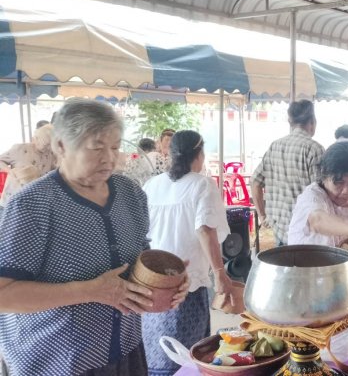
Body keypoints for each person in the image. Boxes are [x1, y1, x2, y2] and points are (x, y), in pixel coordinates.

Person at [0, 99, 188, 376]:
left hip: (125, 350)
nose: (109, 158)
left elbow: (138, 259)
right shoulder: (33, 203)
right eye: (96, 147)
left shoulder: (130, 193)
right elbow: (4, 293)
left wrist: (168, 283)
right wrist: (91, 290)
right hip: (56, 361)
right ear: (61, 146)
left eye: (114, 147)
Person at [141, 130, 232, 375]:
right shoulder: (202, 184)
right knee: (188, 354)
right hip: (187, 282)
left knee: (157, 345)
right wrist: (220, 273)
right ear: (199, 154)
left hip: (152, 282)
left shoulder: (152, 185)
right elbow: (204, 229)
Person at [288, 141, 348, 254]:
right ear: (324, 176)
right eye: (339, 183)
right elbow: (317, 220)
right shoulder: (312, 196)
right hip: (306, 268)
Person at [252, 100, 325, 246]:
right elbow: (322, 194)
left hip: (279, 229)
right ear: (312, 121)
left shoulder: (275, 146)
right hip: (305, 232)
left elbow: (255, 182)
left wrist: (262, 215)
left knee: (284, 268)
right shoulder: (314, 149)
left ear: (290, 122)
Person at [0, 124, 56, 213]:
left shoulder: (51, 155)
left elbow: (55, 174)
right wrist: (11, 172)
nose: (47, 148)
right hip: (11, 198)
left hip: (34, 201)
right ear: (37, 139)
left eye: (49, 145)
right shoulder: (20, 149)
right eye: (45, 144)